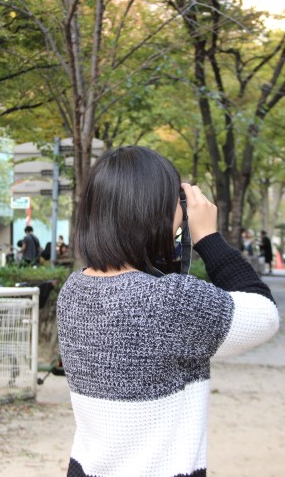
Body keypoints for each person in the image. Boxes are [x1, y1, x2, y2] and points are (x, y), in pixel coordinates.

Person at [57, 146, 279, 477]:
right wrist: (209, 238)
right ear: (153, 211)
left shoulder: (73, 290)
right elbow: (264, 315)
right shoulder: (169, 301)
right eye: (177, 200)